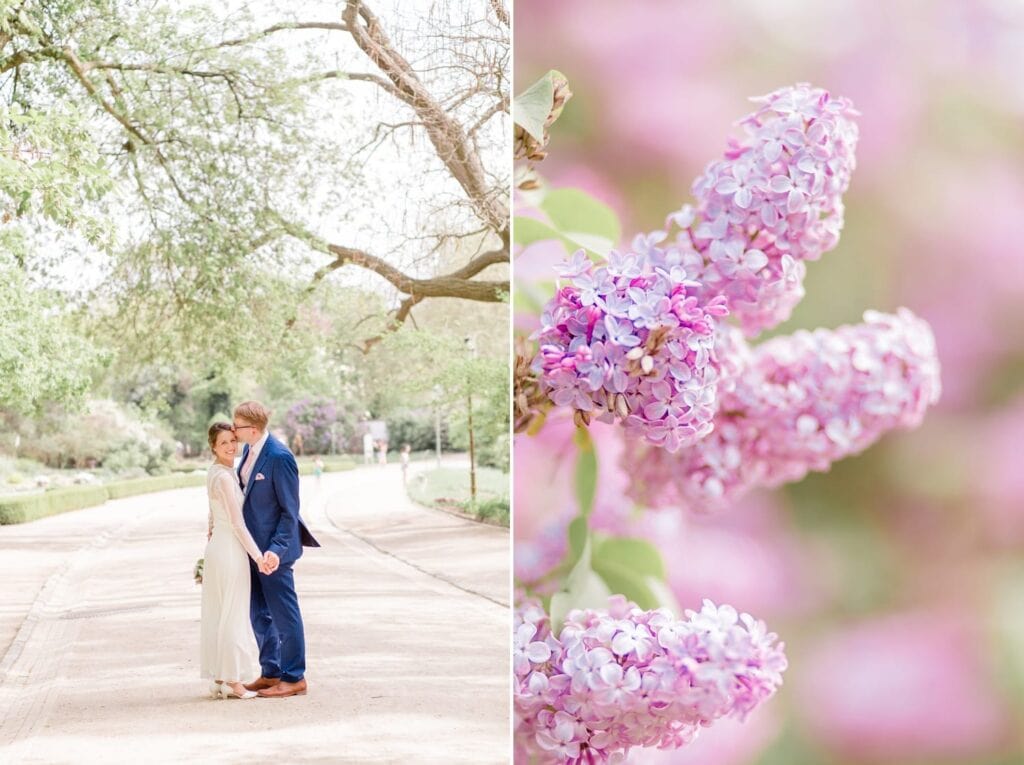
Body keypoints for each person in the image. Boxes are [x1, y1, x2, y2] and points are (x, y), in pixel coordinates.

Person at [233, 401, 321, 698]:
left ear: (252, 429)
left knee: (285, 615)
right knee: (259, 613)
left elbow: (289, 510)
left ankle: (294, 677)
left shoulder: (279, 457)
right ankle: (270, 671)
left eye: (236, 426)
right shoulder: (249, 451)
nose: (233, 431)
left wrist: (276, 550)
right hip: (252, 550)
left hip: (273, 553)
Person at [201, 422, 269, 700]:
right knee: (234, 615)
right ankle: (234, 682)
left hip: (218, 547)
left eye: (232, 440)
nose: (231, 446)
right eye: (224, 443)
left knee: (221, 613)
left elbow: (211, 516)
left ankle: (220, 679)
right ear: (213, 447)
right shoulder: (226, 479)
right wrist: (258, 557)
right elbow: (237, 523)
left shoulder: (216, 472)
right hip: (230, 549)